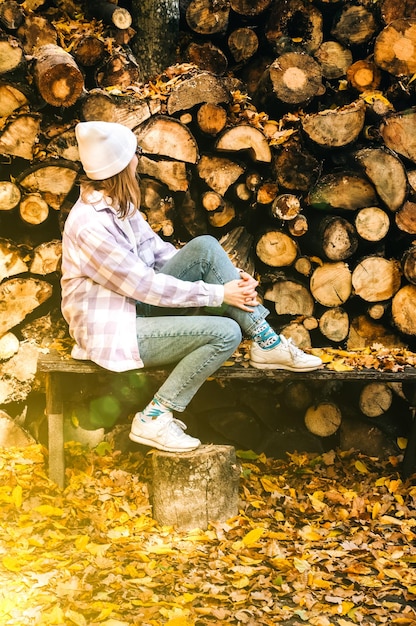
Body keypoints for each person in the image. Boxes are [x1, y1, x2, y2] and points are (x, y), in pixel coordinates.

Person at [61, 121, 322, 453]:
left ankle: (266, 341)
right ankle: (154, 416)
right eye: (134, 154)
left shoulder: (120, 207)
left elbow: (163, 255)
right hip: (113, 330)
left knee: (205, 247)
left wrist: (233, 279)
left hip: (136, 310)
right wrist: (218, 293)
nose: (138, 161)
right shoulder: (89, 225)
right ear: (120, 165)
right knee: (225, 333)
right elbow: (143, 285)